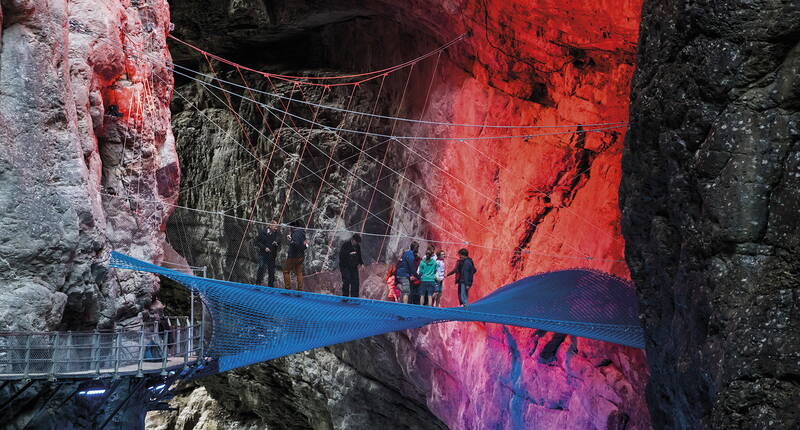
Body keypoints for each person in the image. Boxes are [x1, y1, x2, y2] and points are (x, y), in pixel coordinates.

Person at [254, 221, 280, 287]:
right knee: (261, 268)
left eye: (276, 226)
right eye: (274, 226)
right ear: (270, 226)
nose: (276, 228)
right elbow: (257, 242)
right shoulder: (263, 232)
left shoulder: (276, 233)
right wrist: (264, 248)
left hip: (272, 254)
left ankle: (270, 286)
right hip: (263, 254)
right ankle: (258, 283)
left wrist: (276, 242)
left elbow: (279, 239)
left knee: (271, 271)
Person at [283, 221, 308, 290]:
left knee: (286, 271)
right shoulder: (303, 233)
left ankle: (287, 288)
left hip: (293, 256)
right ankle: (300, 289)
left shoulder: (295, 234)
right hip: (301, 256)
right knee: (299, 272)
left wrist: (290, 240)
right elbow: (306, 245)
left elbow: (295, 244)